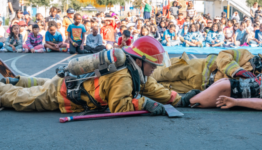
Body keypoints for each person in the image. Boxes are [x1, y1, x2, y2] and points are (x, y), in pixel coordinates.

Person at [0, 36, 199, 115]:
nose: (155, 68)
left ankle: (14, 80)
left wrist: (179, 100)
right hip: (63, 93)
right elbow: (119, 107)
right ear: (140, 61)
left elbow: (152, 87)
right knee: (22, 100)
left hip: (65, 82)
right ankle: (4, 88)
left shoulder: (136, 72)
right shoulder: (124, 77)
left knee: (42, 84)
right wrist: (144, 104)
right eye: (152, 65)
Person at [152, 49, 262, 94]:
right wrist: (237, 71)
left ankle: (139, 86)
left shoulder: (260, 83)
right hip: (200, 67)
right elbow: (223, 55)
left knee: (163, 86)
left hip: (201, 86)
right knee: (161, 74)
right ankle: (138, 74)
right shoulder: (247, 55)